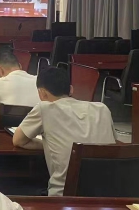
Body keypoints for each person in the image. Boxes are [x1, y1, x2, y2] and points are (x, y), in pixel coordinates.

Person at [13, 67, 116, 197]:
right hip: (107, 194)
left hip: (64, 197)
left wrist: (49, 145)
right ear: (71, 90)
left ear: (41, 93)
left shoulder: (45, 108)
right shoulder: (102, 109)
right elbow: (113, 144)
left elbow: (18, 140)